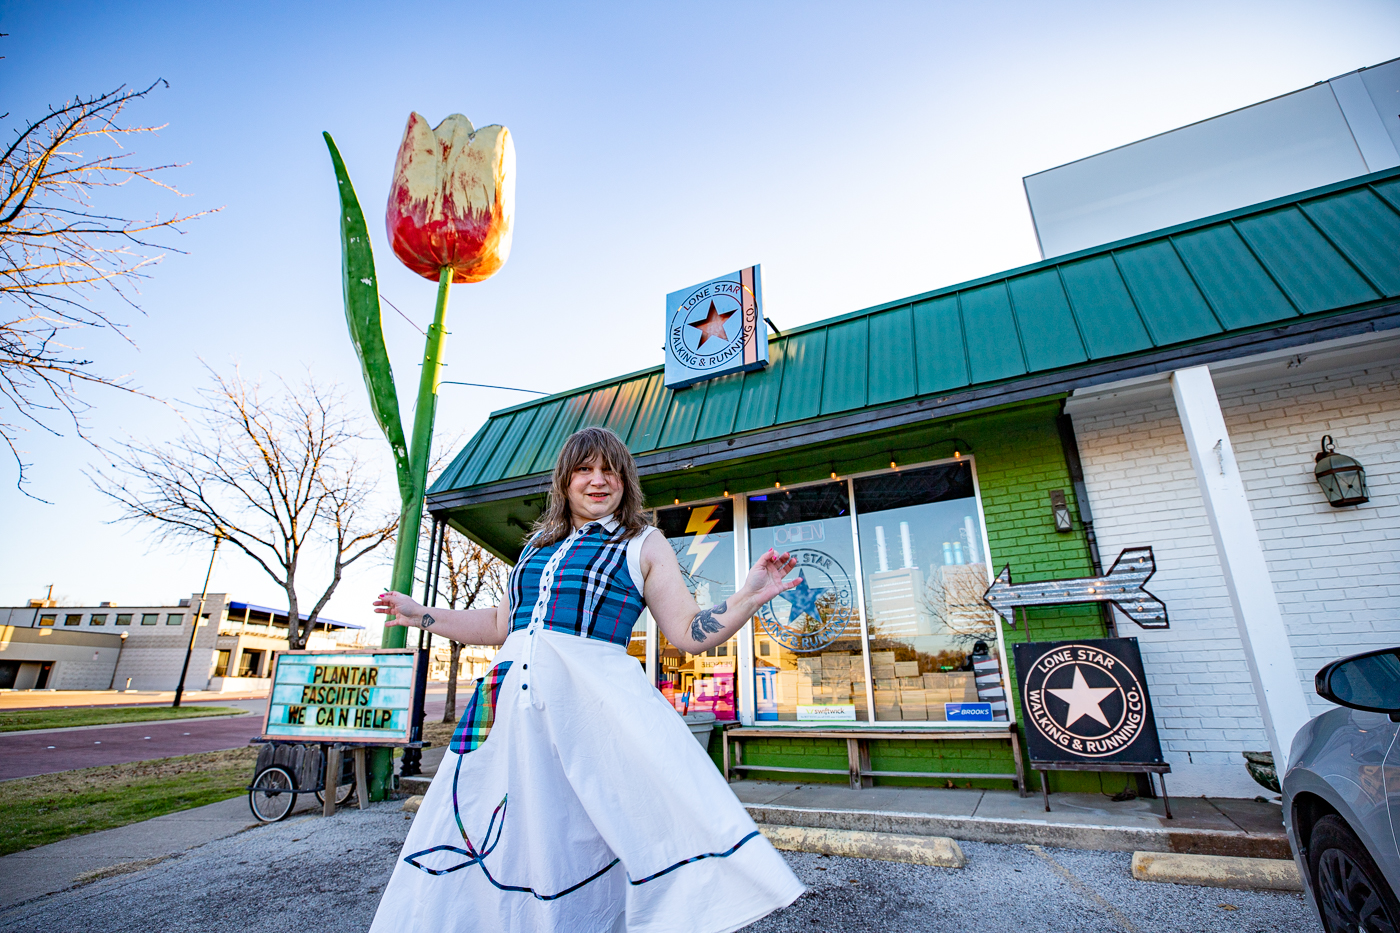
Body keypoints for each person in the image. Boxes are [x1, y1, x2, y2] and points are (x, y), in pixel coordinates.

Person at [369, 426, 805, 933]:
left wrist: (749, 596)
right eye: (585, 470)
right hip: (513, 712)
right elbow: (497, 626)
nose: (598, 481)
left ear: (625, 481)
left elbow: (688, 632)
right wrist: (421, 614)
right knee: (519, 834)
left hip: (592, 709)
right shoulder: (535, 546)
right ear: (565, 480)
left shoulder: (642, 542)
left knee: (593, 832)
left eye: (610, 470)